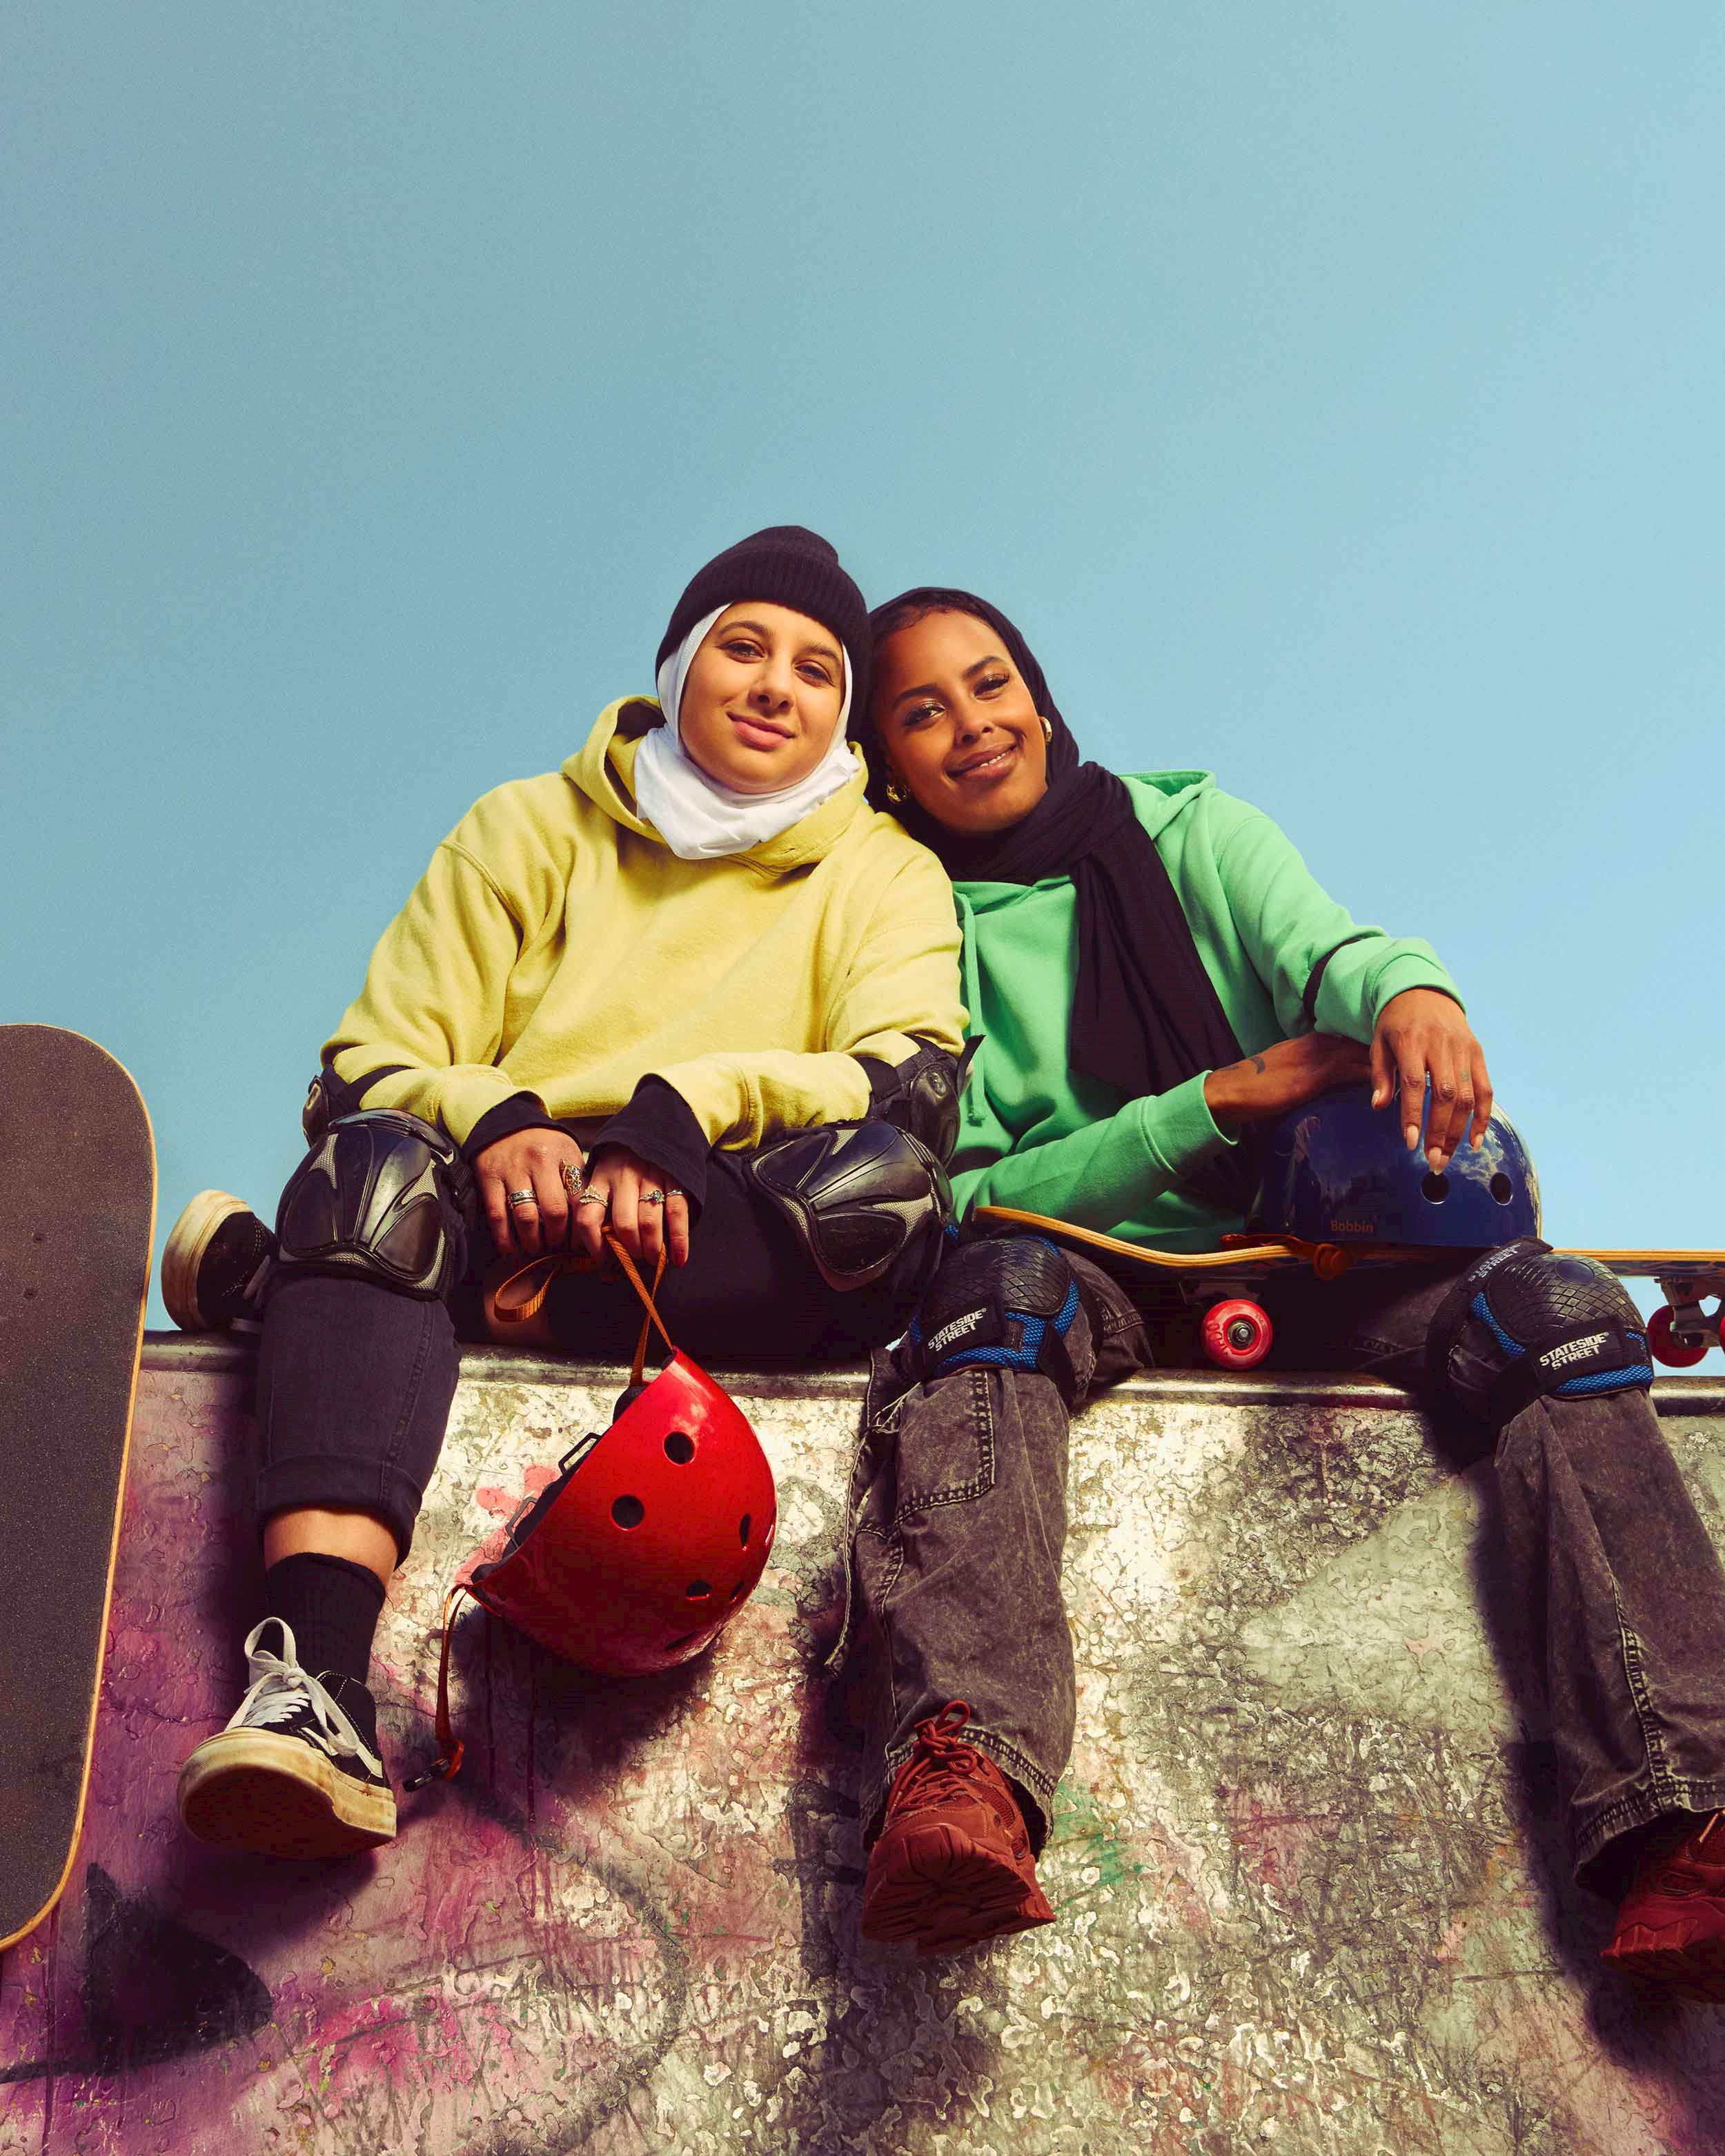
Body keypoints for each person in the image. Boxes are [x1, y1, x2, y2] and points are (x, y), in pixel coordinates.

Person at [838, 583, 1725, 1990]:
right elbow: (962, 1193)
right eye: (920, 710)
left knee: (1555, 1320)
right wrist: (1205, 1105)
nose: (972, 725)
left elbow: (1326, 948)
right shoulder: (894, 911)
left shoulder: (1188, 827)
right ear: (882, 760)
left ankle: (1685, 1822)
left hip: (1314, 1243)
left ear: (1039, 691)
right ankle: (966, 1780)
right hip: (1096, 1260)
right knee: (981, 1304)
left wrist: (1407, 995)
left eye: (989, 681)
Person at [161, 527, 966, 1862]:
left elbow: (905, 1075)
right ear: (680, 662)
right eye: (744, 647)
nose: (777, 687)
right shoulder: (528, 825)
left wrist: (681, 1117)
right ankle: (311, 1693)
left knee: (883, 1196)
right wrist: (501, 1121)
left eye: (820, 669)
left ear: (843, 710)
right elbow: (374, 1057)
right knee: (370, 1179)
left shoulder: (885, 868)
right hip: (511, 1183)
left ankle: (297, 1286)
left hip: (720, 1207)